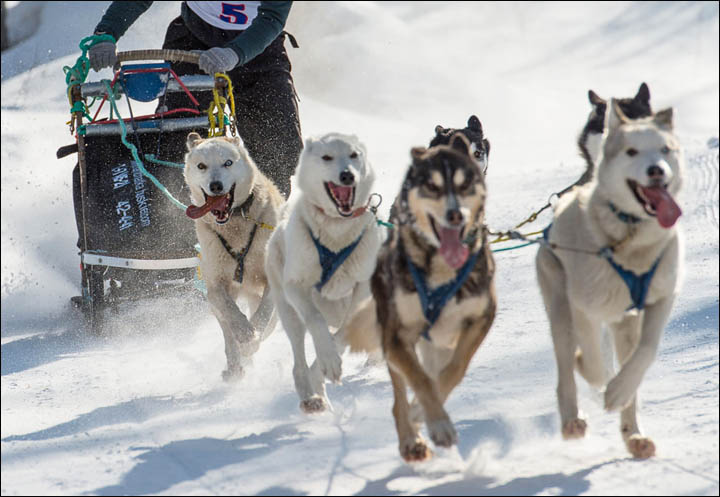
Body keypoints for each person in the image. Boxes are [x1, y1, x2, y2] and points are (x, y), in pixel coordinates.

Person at [88, 0, 303, 198]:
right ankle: (176, 225)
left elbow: (272, 16)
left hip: (259, 48)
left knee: (278, 152)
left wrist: (234, 53)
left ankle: (263, 225)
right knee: (177, 140)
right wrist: (107, 32)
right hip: (194, 39)